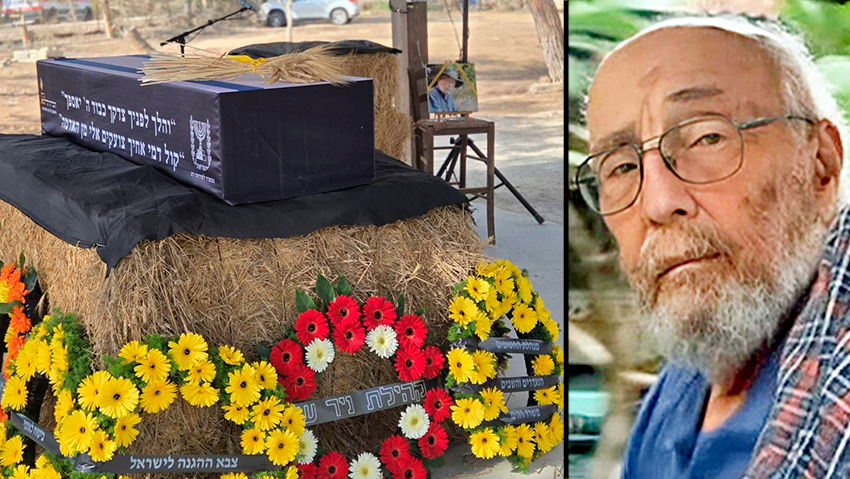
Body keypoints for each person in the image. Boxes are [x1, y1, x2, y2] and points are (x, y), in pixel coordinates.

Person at [575, 15, 850, 478]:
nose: (658, 203)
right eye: (621, 167)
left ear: (820, 163)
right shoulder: (683, 386)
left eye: (708, 137)